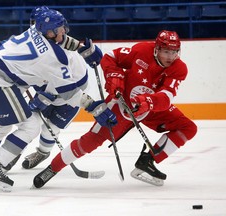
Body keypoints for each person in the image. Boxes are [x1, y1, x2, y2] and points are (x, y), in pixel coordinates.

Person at [0, 9, 117, 192]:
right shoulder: (53, 58)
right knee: (30, 127)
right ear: (49, 31)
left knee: (0, 125)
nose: (64, 31)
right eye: (59, 28)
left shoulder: (33, 29)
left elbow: (57, 41)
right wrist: (95, 107)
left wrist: (81, 47)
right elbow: (70, 94)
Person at [32, 30, 198, 188]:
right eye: (166, 51)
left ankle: (147, 161)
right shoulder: (141, 50)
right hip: (121, 104)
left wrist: (147, 102)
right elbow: (110, 57)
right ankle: (52, 168)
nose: (171, 57)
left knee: (188, 128)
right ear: (156, 48)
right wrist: (114, 76)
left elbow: (167, 97)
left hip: (151, 107)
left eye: (174, 52)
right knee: (91, 140)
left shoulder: (179, 68)